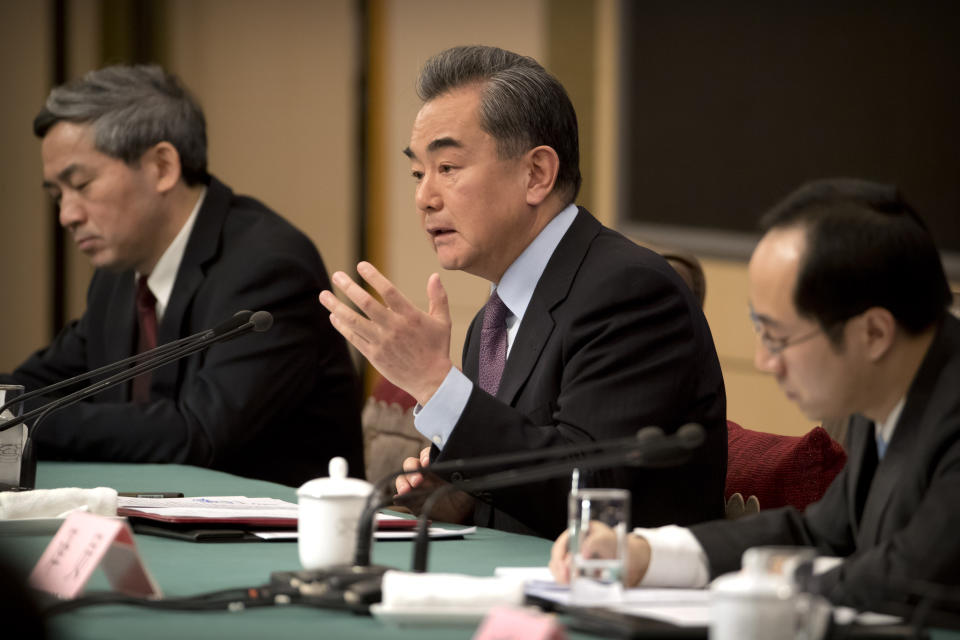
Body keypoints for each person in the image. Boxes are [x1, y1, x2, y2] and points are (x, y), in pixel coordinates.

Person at [319, 45, 726, 539]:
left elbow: (591, 492)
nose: (424, 198)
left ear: (536, 174)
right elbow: (522, 480)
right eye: (417, 173)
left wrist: (434, 382)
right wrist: (456, 499)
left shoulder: (631, 291)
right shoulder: (493, 320)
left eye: (447, 168)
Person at [550, 178, 960, 610]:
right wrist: (645, 554)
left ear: (874, 333)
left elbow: (907, 579)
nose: (765, 361)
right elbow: (818, 535)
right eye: (759, 331)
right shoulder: (882, 383)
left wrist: (773, 579)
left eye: (779, 338)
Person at [1, 65, 364, 486]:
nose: (67, 215)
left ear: (162, 166)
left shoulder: (269, 267)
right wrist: (10, 403)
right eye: (57, 195)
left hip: (278, 540)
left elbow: (197, 434)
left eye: (81, 184)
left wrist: (19, 420)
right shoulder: (118, 276)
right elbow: (39, 382)